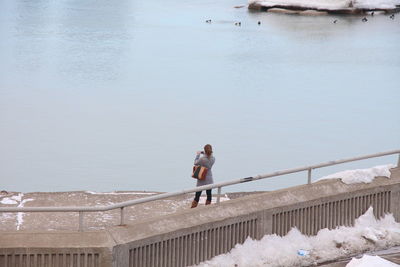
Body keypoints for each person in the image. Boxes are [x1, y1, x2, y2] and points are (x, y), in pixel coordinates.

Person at [191, 144, 215, 208]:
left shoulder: (202, 159)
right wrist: (204, 153)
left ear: (205, 150)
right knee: (209, 194)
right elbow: (208, 156)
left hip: (202, 177)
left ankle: (193, 208)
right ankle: (207, 207)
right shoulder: (213, 158)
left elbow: (195, 163)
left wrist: (198, 154)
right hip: (209, 178)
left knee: (198, 195)